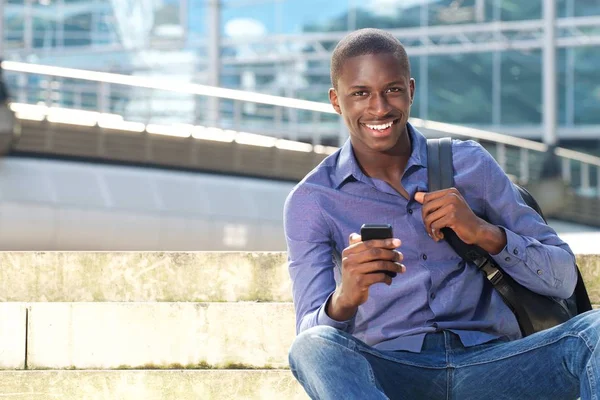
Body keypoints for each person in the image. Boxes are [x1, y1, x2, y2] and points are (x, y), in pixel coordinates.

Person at [283, 28, 600, 400]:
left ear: (411, 91)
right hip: (391, 372)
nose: (379, 107)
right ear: (337, 101)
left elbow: (562, 280)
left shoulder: (470, 164)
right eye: (360, 93)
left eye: (392, 90)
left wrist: (483, 232)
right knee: (313, 346)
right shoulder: (313, 200)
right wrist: (345, 298)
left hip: (494, 364)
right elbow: (308, 334)